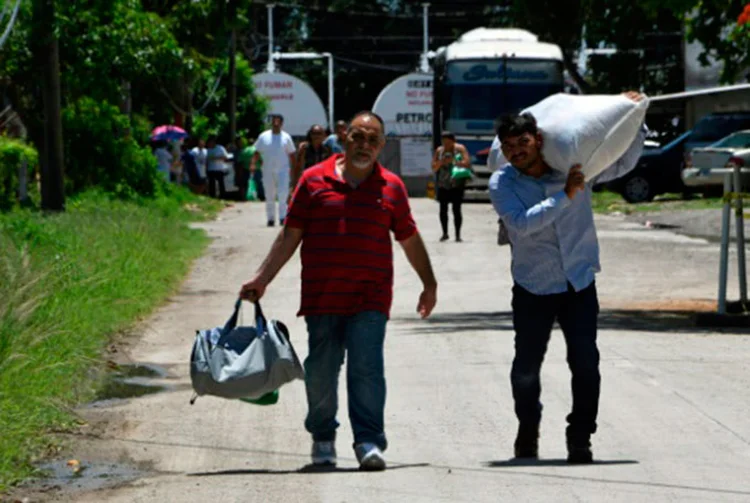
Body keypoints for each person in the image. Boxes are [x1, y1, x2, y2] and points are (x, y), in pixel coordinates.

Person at [239, 111, 438, 471]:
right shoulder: (314, 181)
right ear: (344, 137)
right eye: (358, 137)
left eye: (373, 139)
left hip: (371, 296)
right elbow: (290, 235)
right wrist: (261, 279)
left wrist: (429, 283)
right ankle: (323, 437)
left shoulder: (391, 186)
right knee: (321, 370)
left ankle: (368, 441)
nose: (365, 145)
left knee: (366, 368)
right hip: (322, 295)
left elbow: (408, 237)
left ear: (382, 146)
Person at [488, 91, 647, 464]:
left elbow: (621, 161)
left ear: (537, 140)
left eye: (522, 143)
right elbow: (523, 225)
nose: (516, 152)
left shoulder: (576, 166)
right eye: (509, 147)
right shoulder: (503, 184)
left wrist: (635, 116)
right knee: (526, 367)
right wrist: (565, 196)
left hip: (578, 282)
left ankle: (580, 437)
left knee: (586, 363)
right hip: (533, 286)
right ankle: (528, 428)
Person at [251, 115, 296, 226]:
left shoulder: (286, 137)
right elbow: (257, 152)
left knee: (282, 194)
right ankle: (270, 218)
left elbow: (292, 154)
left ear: (281, 123)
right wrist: (253, 164)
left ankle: (282, 217)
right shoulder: (263, 136)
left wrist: (294, 169)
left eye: (278, 122)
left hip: (283, 170)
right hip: (267, 170)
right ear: (271, 123)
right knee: (269, 194)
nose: (276, 124)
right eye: (274, 121)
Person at [431, 131, 471, 242]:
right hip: (443, 184)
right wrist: (441, 162)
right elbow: (434, 167)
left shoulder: (460, 149)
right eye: (444, 142)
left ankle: (458, 235)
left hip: (457, 183)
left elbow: (467, 162)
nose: (446, 145)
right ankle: (445, 233)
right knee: (443, 210)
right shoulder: (439, 151)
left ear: (453, 141)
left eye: (448, 143)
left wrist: (454, 161)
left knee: (456, 209)